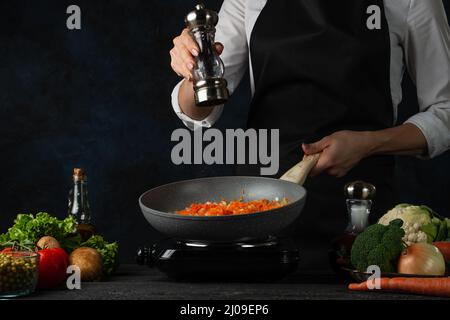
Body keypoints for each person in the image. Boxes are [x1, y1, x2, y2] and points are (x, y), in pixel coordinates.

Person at [169, 0, 450, 269]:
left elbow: (446, 110)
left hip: (363, 220)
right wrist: (195, 69)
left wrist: (369, 143)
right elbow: (199, 112)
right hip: (261, 216)